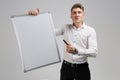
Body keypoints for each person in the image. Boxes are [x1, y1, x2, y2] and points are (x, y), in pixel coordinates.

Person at [28, 3, 98, 80]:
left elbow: (94, 52)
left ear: (83, 15)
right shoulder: (65, 28)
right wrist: (37, 18)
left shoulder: (90, 31)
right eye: (74, 13)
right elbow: (48, 32)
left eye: (79, 12)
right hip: (66, 68)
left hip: (82, 68)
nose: (77, 15)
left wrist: (76, 50)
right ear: (71, 16)